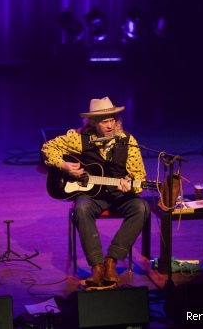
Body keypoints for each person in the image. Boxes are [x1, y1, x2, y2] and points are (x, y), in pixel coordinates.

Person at [42, 96, 150, 288]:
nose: (109, 125)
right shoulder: (80, 137)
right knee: (82, 208)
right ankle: (97, 266)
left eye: (112, 120)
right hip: (93, 196)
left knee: (141, 208)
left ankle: (112, 260)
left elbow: (139, 175)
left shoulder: (127, 141)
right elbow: (49, 147)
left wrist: (130, 183)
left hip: (120, 196)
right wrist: (65, 165)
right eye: (104, 121)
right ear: (93, 122)